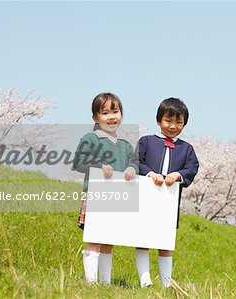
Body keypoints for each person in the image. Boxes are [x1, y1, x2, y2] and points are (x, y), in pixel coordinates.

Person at [73, 92, 137, 285]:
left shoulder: (125, 146)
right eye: (105, 112)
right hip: (96, 195)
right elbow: (79, 162)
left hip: (118, 197)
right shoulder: (91, 139)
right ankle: (91, 283)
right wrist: (99, 165)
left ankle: (106, 283)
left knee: (109, 240)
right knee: (94, 238)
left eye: (115, 112)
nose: (111, 117)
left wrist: (131, 168)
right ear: (95, 117)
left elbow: (135, 163)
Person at [135, 97, 199, 288]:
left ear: (184, 124)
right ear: (158, 120)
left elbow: (192, 167)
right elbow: (135, 162)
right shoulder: (146, 141)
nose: (173, 126)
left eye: (179, 122)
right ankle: (145, 280)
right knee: (142, 238)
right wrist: (149, 173)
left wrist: (178, 175)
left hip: (169, 201)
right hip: (145, 197)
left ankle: (166, 282)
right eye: (168, 120)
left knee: (165, 241)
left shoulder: (187, 149)